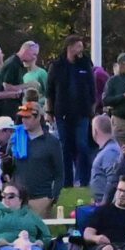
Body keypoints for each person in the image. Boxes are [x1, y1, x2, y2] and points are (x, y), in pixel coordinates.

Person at [46, 35, 95, 188]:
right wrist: (49, 111)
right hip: (62, 112)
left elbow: (92, 88)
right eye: (79, 46)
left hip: (82, 112)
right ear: (70, 47)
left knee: (82, 144)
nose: (81, 50)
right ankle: (66, 181)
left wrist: (92, 108)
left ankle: (85, 180)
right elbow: (50, 91)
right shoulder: (57, 66)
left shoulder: (85, 64)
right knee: (65, 146)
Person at [11, 101, 63, 218]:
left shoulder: (51, 142)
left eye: (27, 117)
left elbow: (59, 173)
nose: (24, 120)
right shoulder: (16, 139)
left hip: (41, 199)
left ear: (38, 117)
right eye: (22, 117)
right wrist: (5, 163)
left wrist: (52, 197)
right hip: (18, 199)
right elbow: (9, 170)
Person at [89, 114, 121, 205]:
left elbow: (113, 179)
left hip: (107, 205)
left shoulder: (110, 152)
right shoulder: (108, 150)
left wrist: (104, 202)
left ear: (95, 131)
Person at [1, 41, 39, 111]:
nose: (34, 58)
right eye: (34, 54)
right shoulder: (12, 64)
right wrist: (28, 85)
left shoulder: (18, 64)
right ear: (26, 50)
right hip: (9, 107)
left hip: (16, 104)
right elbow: (6, 87)